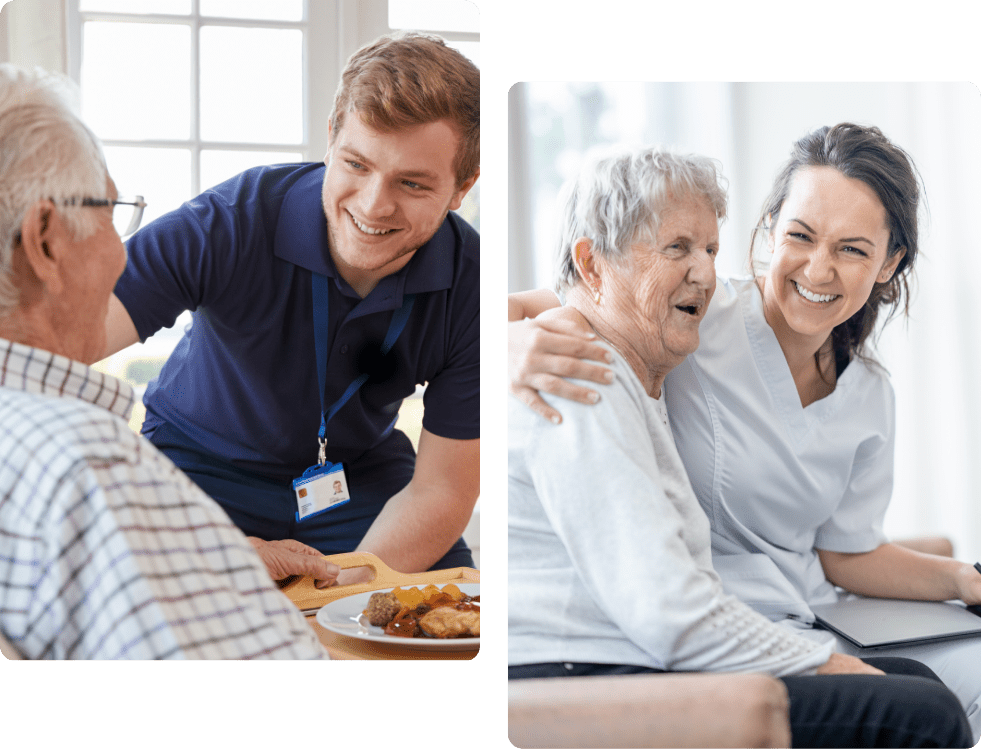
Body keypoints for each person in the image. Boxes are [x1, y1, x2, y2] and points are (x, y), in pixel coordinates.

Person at [508, 124, 981, 739]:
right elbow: (568, 297)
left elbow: (847, 551)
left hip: (794, 619)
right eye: (801, 236)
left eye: (853, 249)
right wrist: (509, 342)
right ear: (771, 233)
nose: (819, 268)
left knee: (945, 685)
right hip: (690, 635)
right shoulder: (674, 329)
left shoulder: (863, 389)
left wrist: (964, 580)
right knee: (923, 710)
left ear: (888, 263)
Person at [102, 32, 481, 585]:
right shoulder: (229, 221)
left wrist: (346, 597)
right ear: (331, 139)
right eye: (356, 163)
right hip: (194, 467)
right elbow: (51, 337)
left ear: (460, 188)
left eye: (412, 183)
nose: (374, 205)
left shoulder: (471, 282)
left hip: (356, 479)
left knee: (434, 614)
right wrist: (214, 561)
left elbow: (442, 489)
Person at [0, 64, 333, 660]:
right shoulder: (86, 464)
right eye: (109, 213)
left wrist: (199, 561)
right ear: (46, 240)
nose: (123, 255)